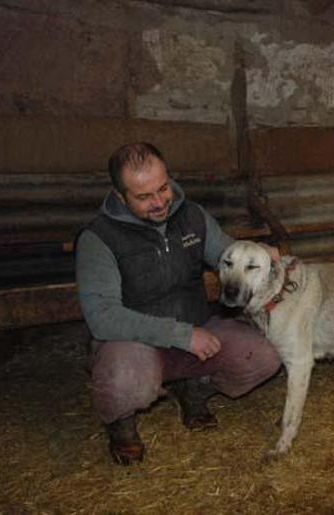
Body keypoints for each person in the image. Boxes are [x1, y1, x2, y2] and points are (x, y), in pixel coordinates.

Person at [75, 142, 281, 465]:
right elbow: (102, 318)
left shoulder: (192, 216)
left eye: (163, 188)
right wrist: (181, 335)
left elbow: (228, 253)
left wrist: (258, 252)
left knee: (266, 355)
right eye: (144, 197)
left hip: (197, 328)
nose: (159, 202)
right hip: (136, 343)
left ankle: (195, 389)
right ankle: (121, 423)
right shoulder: (98, 239)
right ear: (118, 196)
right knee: (124, 379)